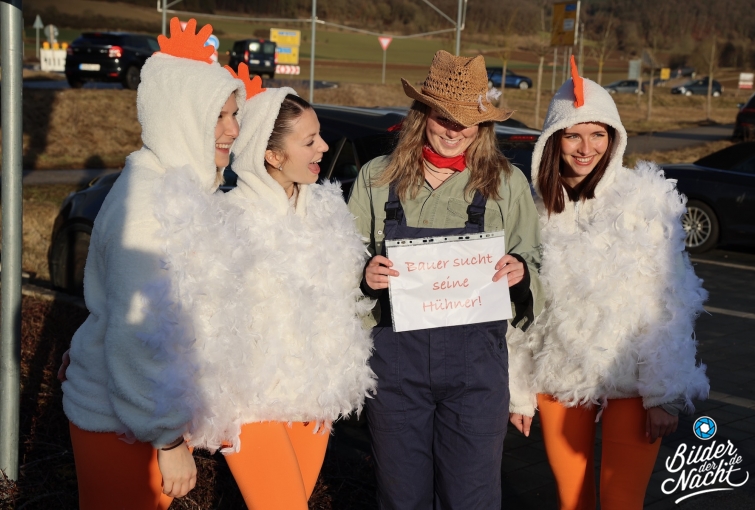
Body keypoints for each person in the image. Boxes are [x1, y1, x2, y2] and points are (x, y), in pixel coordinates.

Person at [507, 57, 709, 510]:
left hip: (633, 381)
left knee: (622, 502)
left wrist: (664, 392)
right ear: (553, 140)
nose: (586, 148)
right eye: (573, 135)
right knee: (572, 501)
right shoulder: (532, 211)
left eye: (598, 133)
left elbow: (671, 302)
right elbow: (518, 309)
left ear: (614, 137)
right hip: (559, 376)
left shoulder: (645, 201)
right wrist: (517, 391)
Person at [60, 18, 245, 509]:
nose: (232, 130)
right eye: (218, 116)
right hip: (123, 420)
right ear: (179, 117)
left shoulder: (181, 190)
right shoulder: (149, 205)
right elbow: (137, 330)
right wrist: (167, 439)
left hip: (141, 411)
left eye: (234, 114)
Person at [347, 50, 544, 509]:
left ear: (483, 126)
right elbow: (341, 260)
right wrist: (364, 275)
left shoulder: (507, 182)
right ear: (422, 114)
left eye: (467, 122)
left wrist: (521, 273)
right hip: (396, 367)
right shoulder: (376, 177)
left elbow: (536, 260)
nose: (454, 131)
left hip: (477, 369)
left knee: (471, 497)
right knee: (401, 497)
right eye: (443, 118)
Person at [196, 71, 376, 509]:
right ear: (273, 155)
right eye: (310, 141)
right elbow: (199, 313)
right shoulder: (227, 217)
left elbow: (345, 299)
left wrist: (368, 277)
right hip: (249, 404)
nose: (324, 147)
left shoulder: (327, 210)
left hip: (313, 398)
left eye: (320, 137)